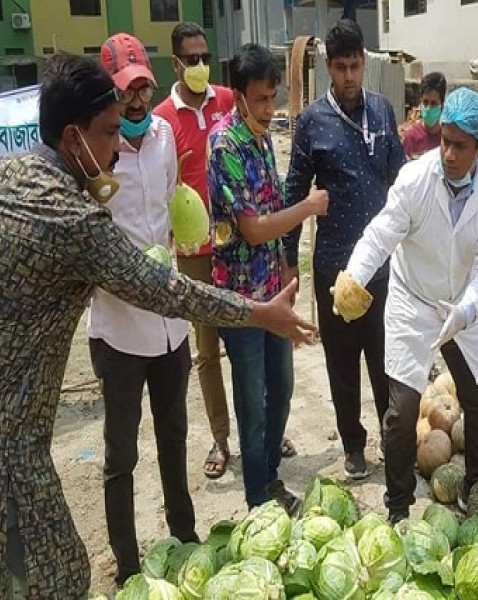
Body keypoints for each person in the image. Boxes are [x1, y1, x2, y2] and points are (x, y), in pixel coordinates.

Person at [0, 52, 314, 599]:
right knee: (57, 579)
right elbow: (162, 288)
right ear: (73, 138)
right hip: (5, 451)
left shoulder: (5, 175)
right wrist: (260, 314)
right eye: (109, 132)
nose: (117, 145)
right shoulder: (71, 219)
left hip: (19, 433)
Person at [334, 88, 478, 523]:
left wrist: (465, 309)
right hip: (412, 302)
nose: (448, 153)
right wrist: (353, 275)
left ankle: (477, 485)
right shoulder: (415, 179)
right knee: (403, 410)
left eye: (460, 146)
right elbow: (381, 234)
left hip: (459, 305)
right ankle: (398, 505)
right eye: (444, 140)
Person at [88, 32, 199, 588]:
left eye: (141, 89)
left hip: (170, 326)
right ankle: (128, 565)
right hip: (119, 332)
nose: (135, 103)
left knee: (174, 436)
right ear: (108, 97)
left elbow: (171, 210)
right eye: (124, 94)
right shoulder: (92, 155)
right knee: (121, 455)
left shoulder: (161, 136)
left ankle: (184, 534)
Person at [209, 43, 329, 511]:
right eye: (260, 99)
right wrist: (310, 206)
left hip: (272, 296)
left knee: (281, 389)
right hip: (240, 302)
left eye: (274, 97)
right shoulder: (225, 146)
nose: (269, 107)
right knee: (253, 402)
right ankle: (259, 496)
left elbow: (272, 210)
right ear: (239, 97)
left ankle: (270, 477)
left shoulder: (261, 140)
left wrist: (287, 272)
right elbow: (254, 228)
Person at [284, 19, 405, 479]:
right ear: (328, 68)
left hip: (382, 266)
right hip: (335, 266)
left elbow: (400, 177)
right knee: (341, 364)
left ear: (364, 65)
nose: (350, 76)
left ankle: (392, 439)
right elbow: (296, 191)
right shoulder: (313, 122)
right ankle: (353, 446)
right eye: (341, 68)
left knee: (385, 359)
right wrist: (289, 262)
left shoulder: (383, 111)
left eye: (356, 66)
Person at [154, 21, 239, 480]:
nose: (201, 66)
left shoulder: (226, 100)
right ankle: (222, 437)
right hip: (194, 251)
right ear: (176, 63)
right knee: (207, 349)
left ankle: (258, 427)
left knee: (248, 337)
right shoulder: (162, 120)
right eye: (192, 59)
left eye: (205, 57)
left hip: (236, 244)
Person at [403, 71, 446, 159]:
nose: (428, 108)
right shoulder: (411, 138)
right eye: (425, 102)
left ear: (442, 105)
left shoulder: (446, 138)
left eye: (434, 103)